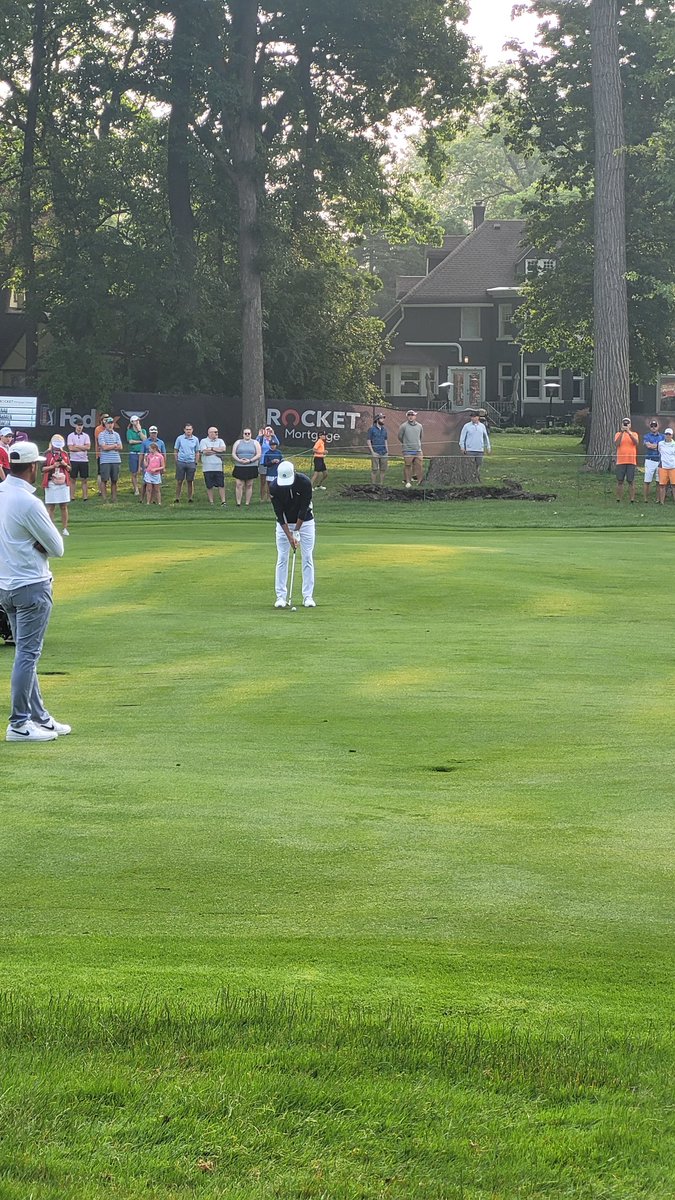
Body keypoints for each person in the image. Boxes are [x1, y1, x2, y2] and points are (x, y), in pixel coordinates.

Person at [0, 441, 69, 741]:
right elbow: (57, 547)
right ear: (32, 467)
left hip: (6, 586)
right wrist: (35, 543)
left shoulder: (1, 495)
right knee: (27, 655)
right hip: (31, 584)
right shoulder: (29, 503)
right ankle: (19, 724)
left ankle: (40, 717)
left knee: (27, 654)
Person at [269, 460, 316, 608]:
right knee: (282, 558)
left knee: (307, 557)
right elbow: (279, 513)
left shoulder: (305, 483)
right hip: (283, 525)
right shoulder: (274, 487)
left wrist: (296, 532)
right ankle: (280, 597)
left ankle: (308, 597)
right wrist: (289, 536)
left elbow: (303, 509)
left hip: (305, 523)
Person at [43, 435, 71, 536]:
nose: (57, 447)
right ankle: (51, 530)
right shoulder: (47, 454)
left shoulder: (64, 453)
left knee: (63, 506)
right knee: (51, 507)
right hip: (51, 482)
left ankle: (64, 528)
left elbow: (69, 468)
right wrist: (53, 466)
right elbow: (42, 469)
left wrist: (64, 464)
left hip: (63, 482)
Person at [231, 427, 261, 507]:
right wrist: (239, 460)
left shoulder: (255, 442)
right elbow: (233, 453)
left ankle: (247, 503)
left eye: (249, 433)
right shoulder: (238, 442)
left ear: (251, 434)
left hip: (251, 466)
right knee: (239, 484)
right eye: (245, 433)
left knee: (249, 484)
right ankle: (238, 503)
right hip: (239, 466)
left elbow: (258, 454)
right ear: (243, 434)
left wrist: (250, 460)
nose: (247, 435)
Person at [459, 411, 492, 479]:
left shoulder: (482, 426)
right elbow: (462, 437)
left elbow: (486, 437)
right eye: (472, 417)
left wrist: (488, 447)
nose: (473, 418)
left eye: (474, 417)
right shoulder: (467, 426)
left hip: (479, 449)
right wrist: (462, 447)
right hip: (470, 449)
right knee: (469, 465)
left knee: (478, 464)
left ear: (478, 417)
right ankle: (468, 477)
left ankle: (476, 476)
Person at [98, 416, 123, 502]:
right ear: (105, 424)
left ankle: (114, 498)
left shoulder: (116, 434)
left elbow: (120, 447)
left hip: (116, 460)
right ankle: (104, 498)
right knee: (104, 480)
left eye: (111, 423)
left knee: (114, 480)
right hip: (105, 460)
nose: (110, 425)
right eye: (108, 423)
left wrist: (111, 446)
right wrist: (114, 446)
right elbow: (104, 447)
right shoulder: (101, 434)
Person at [199, 426, 227, 506]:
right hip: (207, 467)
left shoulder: (220, 441)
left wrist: (210, 448)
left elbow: (223, 449)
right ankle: (211, 502)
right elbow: (204, 452)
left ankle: (223, 502)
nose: (216, 433)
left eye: (217, 431)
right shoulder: (203, 441)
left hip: (218, 467)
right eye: (214, 432)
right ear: (209, 433)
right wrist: (216, 451)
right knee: (209, 485)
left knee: (221, 484)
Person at [614, 416, 639, 503]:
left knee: (631, 480)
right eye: (624, 423)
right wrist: (622, 432)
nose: (626, 425)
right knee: (620, 480)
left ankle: (632, 499)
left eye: (627, 423)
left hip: (631, 461)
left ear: (630, 425)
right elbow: (617, 444)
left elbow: (636, 442)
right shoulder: (618, 434)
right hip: (621, 461)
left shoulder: (634, 434)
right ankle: (618, 499)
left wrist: (628, 432)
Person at [173, 422, 200, 503]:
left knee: (190, 481)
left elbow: (197, 451)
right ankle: (177, 498)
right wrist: (176, 461)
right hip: (181, 461)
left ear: (192, 430)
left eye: (190, 429)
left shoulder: (195, 439)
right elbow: (176, 450)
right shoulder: (179, 438)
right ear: (184, 430)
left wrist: (196, 462)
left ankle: (190, 498)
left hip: (191, 462)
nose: (188, 431)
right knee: (179, 481)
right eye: (187, 429)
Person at [397, 409, 424, 488]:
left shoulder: (420, 426)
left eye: (412, 415)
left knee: (419, 466)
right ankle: (408, 481)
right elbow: (400, 437)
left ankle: (420, 482)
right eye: (409, 415)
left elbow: (420, 436)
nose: (410, 417)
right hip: (407, 450)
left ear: (415, 416)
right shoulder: (403, 426)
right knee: (408, 465)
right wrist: (406, 443)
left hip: (418, 449)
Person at [140, 425, 166, 503]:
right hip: (148, 467)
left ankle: (154, 500)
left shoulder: (161, 442)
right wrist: (139, 466)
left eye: (154, 433)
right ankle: (142, 499)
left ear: (157, 433)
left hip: (157, 467)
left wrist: (164, 467)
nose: (153, 434)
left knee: (156, 485)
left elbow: (164, 455)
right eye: (152, 433)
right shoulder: (145, 442)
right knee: (145, 483)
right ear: (149, 433)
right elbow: (141, 454)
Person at [67, 417, 91, 501]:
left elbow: (88, 447)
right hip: (74, 460)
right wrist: (82, 448)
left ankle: (85, 497)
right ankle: (72, 496)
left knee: (84, 479)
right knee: (72, 478)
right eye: (78, 425)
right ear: (75, 426)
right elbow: (71, 448)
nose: (79, 427)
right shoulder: (70, 436)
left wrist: (77, 446)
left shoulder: (86, 436)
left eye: (81, 425)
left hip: (84, 460)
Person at [257, 426, 281, 501]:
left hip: (273, 463)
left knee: (271, 481)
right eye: (266, 430)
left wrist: (273, 435)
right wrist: (259, 436)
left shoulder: (273, 439)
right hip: (263, 462)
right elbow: (256, 444)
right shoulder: (261, 439)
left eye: (269, 430)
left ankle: (269, 497)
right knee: (263, 481)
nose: (268, 431)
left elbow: (277, 443)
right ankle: (262, 497)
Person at [642, 419, 663, 502]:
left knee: (658, 481)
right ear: (650, 427)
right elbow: (648, 446)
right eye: (652, 426)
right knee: (647, 480)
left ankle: (658, 499)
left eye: (655, 426)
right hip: (649, 460)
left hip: (660, 461)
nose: (654, 427)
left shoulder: (663, 436)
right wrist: (657, 445)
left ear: (658, 426)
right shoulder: (646, 436)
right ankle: (645, 499)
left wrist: (654, 445)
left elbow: (662, 446)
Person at [126, 415, 147, 497]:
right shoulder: (129, 431)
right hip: (133, 454)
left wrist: (139, 431)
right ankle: (136, 490)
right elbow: (130, 441)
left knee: (144, 471)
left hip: (142, 454)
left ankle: (144, 489)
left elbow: (145, 440)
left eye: (138, 420)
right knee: (134, 473)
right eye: (135, 421)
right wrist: (140, 441)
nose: (137, 422)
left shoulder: (143, 430)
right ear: (132, 422)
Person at [367, 413, 389, 485]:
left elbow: (385, 440)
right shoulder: (371, 429)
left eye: (383, 418)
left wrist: (387, 450)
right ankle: (373, 485)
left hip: (384, 452)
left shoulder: (384, 430)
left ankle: (381, 484)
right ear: (377, 420)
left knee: (383, 470)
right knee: (374, 469)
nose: (383, 420)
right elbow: (368, 440)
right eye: (381, 418)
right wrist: (372, 452)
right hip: (375, 451)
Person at [142, 439, 165, 505]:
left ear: (154, 449)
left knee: (157, 489)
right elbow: (146, 465)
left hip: (156, 474)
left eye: (150, 449)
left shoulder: (160, 456)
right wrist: (144, 458)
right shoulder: (149, 455)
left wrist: (156, 469)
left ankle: (159, 502)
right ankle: (148, 502)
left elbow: (163, 466)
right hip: (149, 473)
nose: (149, 450)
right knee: (149, 488)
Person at [657, 427, 675, 505]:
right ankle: (662, 502)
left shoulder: (674, 444)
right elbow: (659, 451)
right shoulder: (660, 443)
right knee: (662, 485)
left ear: (672, 435)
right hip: (663, 467)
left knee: (674, 485)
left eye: (669, 434)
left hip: (673, 467)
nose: (668, 435)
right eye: (666, 434)